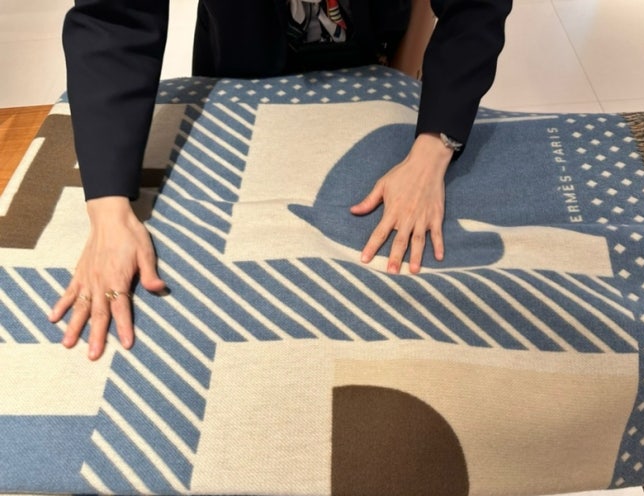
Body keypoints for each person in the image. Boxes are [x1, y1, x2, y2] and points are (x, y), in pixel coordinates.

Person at [49, 0, 513, 360]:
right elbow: (115, 17)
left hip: (372, 44)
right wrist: (108, 210)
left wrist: (434, 145)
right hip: (241, 53)